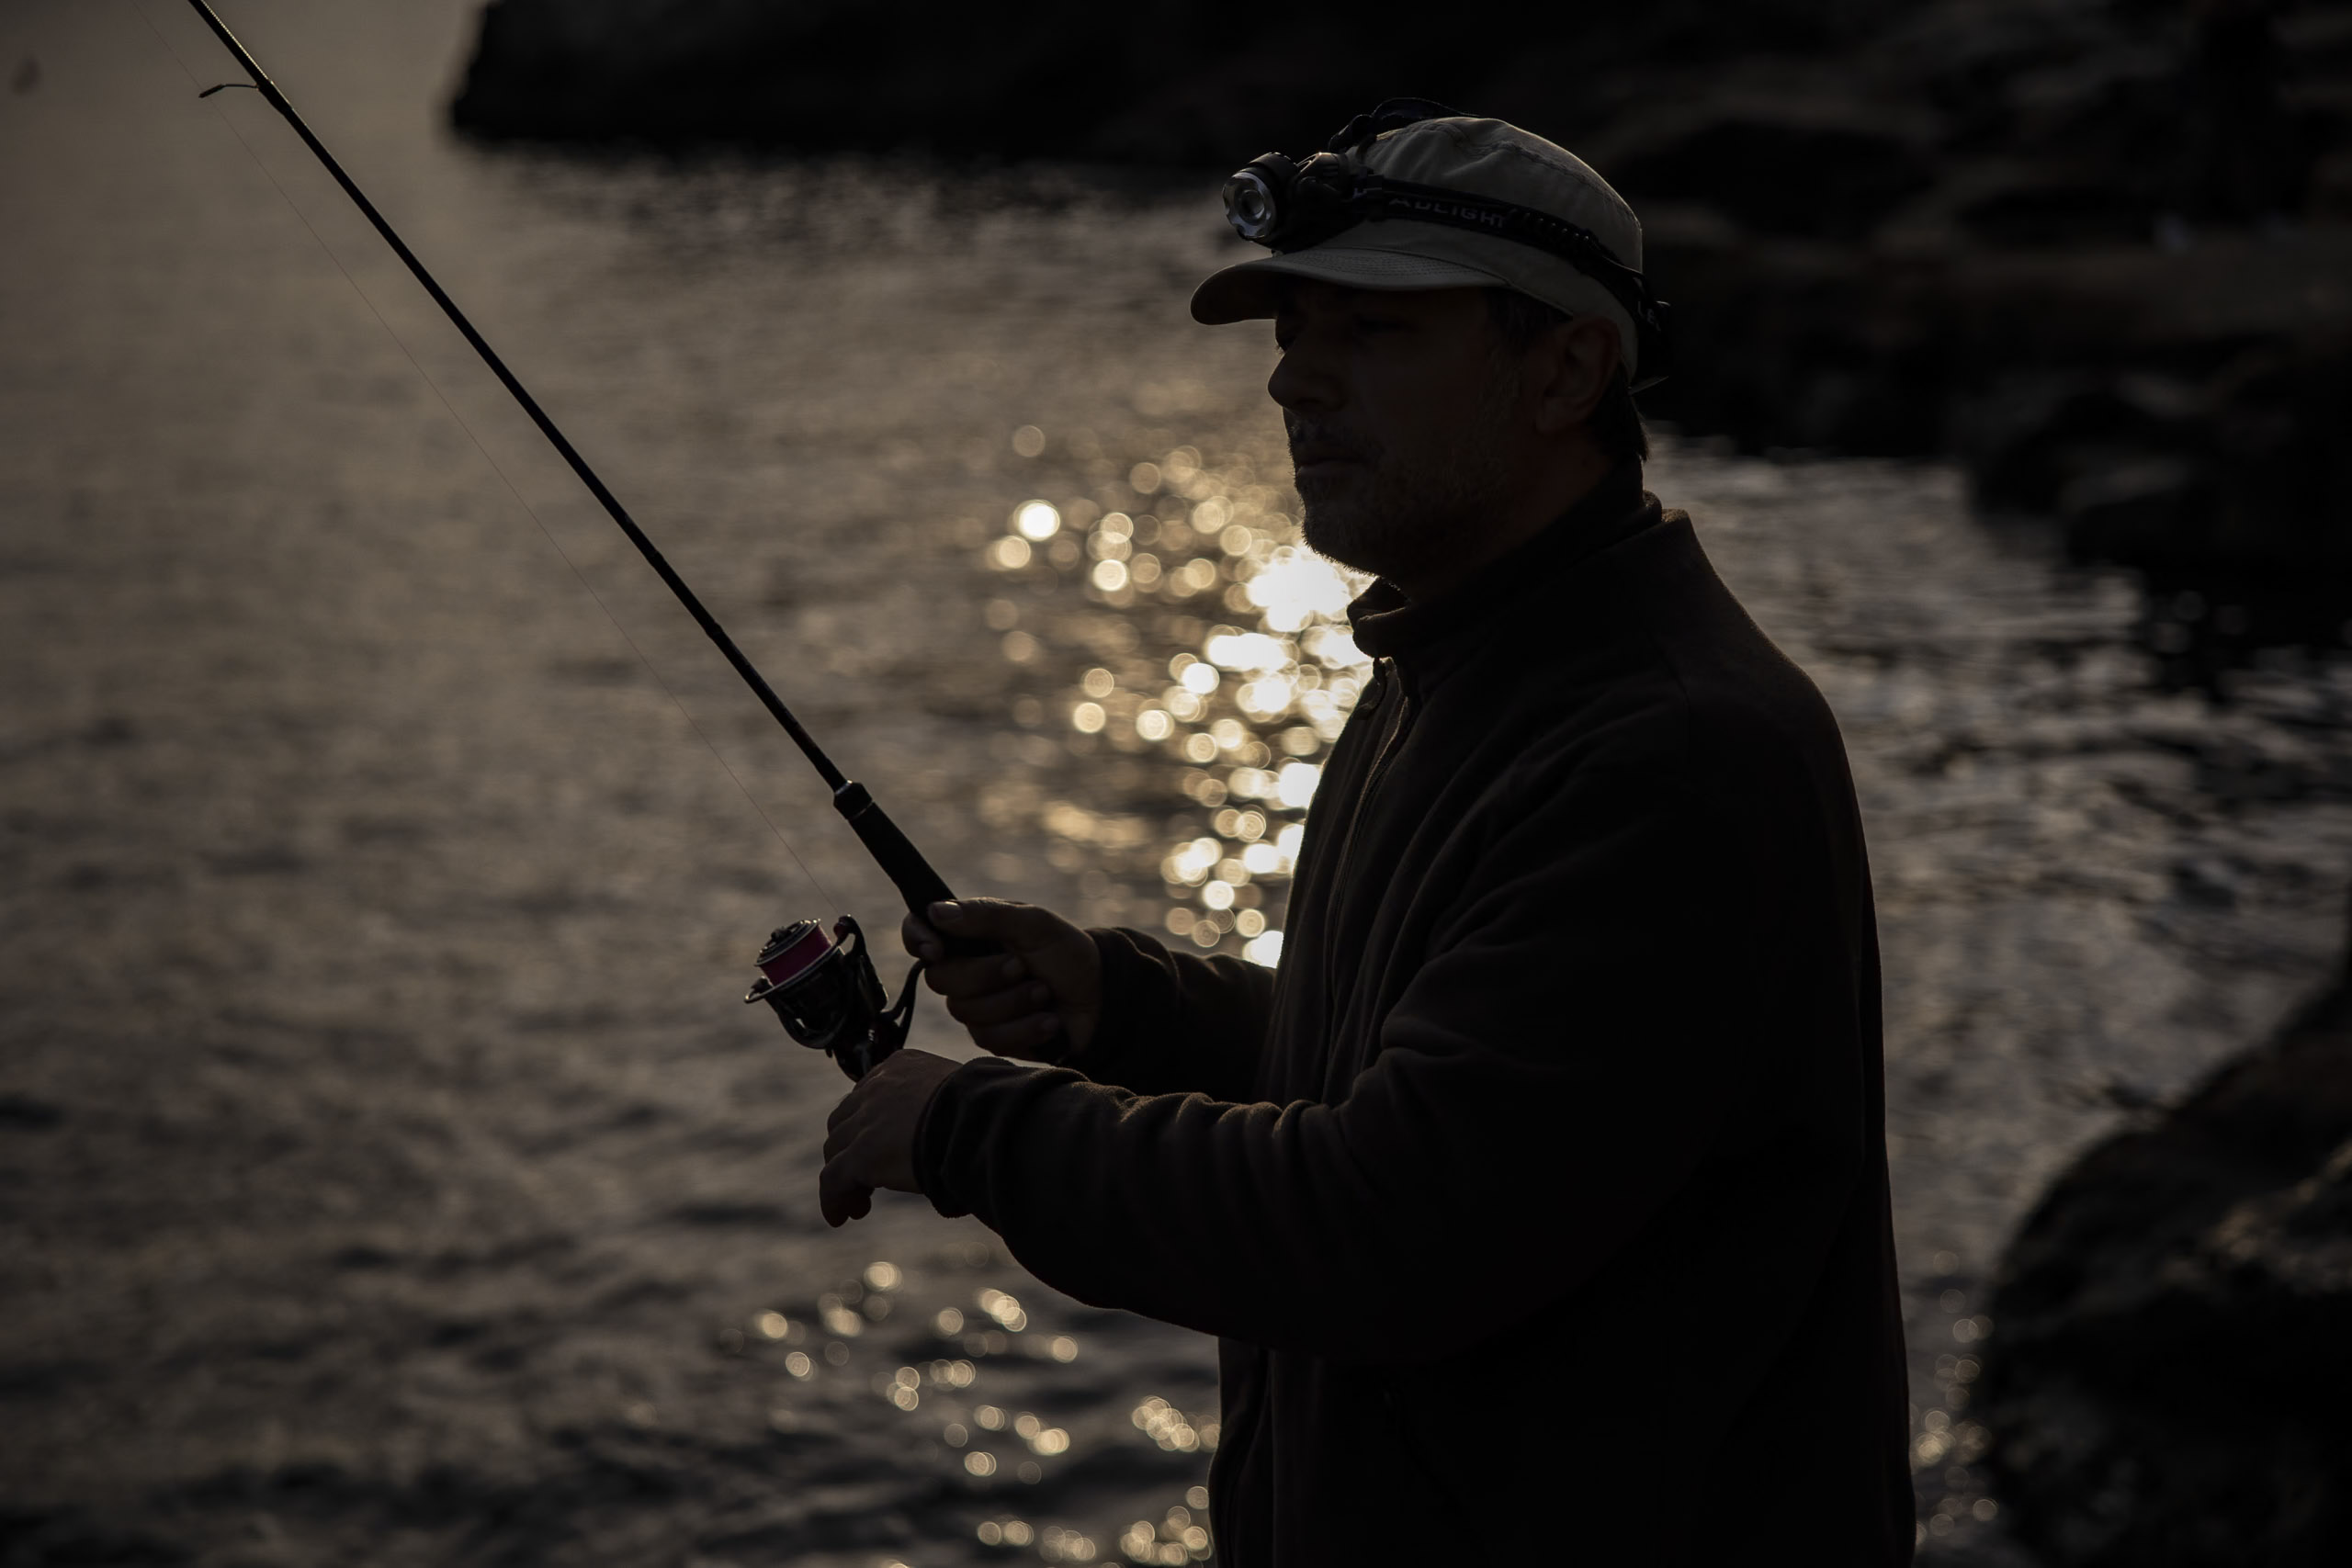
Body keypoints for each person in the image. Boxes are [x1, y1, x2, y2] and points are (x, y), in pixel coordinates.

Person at [820, 105, 1915, 1565]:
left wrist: (967, 1126)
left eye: (1375, 332)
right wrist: (1129, 1002)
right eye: (1293, 330)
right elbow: (1460, 1080)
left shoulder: (1674, 751)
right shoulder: (1451, 665)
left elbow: (1394, 1223)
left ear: (1570, 368)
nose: (1294, 379)